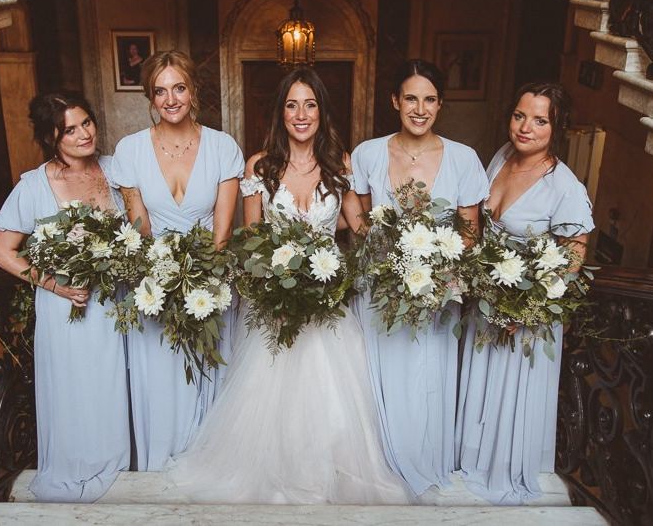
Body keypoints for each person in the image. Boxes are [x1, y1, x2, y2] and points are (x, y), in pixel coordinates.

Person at [162, 66, 411, 504]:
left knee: (330, 400)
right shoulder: (260, 166)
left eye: (310, 104)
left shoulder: (342, 164)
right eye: (292, 104)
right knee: (269, 401)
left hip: (327, 305)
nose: (301, 114)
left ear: (322, 112)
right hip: (272, 304)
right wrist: (271, 291)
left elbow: (360, 227)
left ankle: (324, 470)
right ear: (280, 112)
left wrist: (411, 239)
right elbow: (252, 239)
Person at [351, 59, 488, 496]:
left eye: (429, 99)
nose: (420, 108)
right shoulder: (368, 153)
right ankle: (384, 463)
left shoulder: (464, 158)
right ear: (395, 101)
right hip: (381, 289)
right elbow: (355, 207)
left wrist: (438, 272)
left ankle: (424, 459)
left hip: (437, 291)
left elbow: (470, 228)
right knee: (383, 370)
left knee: (427, 374)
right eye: (411, 98)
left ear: (440, 104)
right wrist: (378, 245)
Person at [455, 82, 594, 504]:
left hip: (524, 317)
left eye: (539, 120)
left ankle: (503, 468)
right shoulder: (499, 158)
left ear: (557, 127)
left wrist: (529, 310)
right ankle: (469, 460)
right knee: (478, 380)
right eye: (520, 115)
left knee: (509, 393)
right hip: (485, 303)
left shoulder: (564, 187)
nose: (525, 127)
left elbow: (573, 259)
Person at [0, 93, 129, 502]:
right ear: (52, 137)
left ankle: (119, 461)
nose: (84, 134)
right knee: (76, 386)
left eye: (87, 123)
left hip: (115, 301)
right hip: (67, 305)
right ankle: (79, 462)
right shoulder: (36, 185)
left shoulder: (115, 171)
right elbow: (2, 253)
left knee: (114, 382)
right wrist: (56, 285)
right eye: (70, 129)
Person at [111, 50, 244, 471]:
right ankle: (159, 467)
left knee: (208, 370)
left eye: (179, 88)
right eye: (160, 91)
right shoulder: (129, 150)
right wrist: (165, 280)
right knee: (162, 379)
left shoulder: (223, 147)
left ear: (194, 90)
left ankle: (207, 465)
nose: (171, 99)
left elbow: (223, 232)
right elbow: (139, 227)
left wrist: (199, 282)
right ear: (150, 98)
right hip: (155, 284)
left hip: (210, 283)